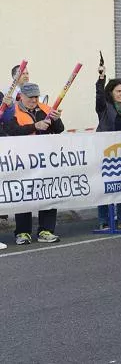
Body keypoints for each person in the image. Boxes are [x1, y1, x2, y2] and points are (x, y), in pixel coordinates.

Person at [3, 83, 63, 244]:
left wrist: (56, 120)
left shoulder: (45, 108)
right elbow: (11, 130)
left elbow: (59, 129)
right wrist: (34, 126)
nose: (34, 100)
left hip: (46, 160)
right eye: (30, 97)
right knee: (24, 194)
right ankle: (22, 232)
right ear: (21, 96)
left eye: (36, 97)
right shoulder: (12, 110)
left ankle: (46, 230)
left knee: (48, 193)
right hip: (22, 161)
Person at [95, 68, 121, 230]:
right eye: (118, 91)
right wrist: (101, 79)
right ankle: (104, 219)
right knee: (105, 186)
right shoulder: (104, 107)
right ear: (110, 92)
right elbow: (98, 95)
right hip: (106, 151)